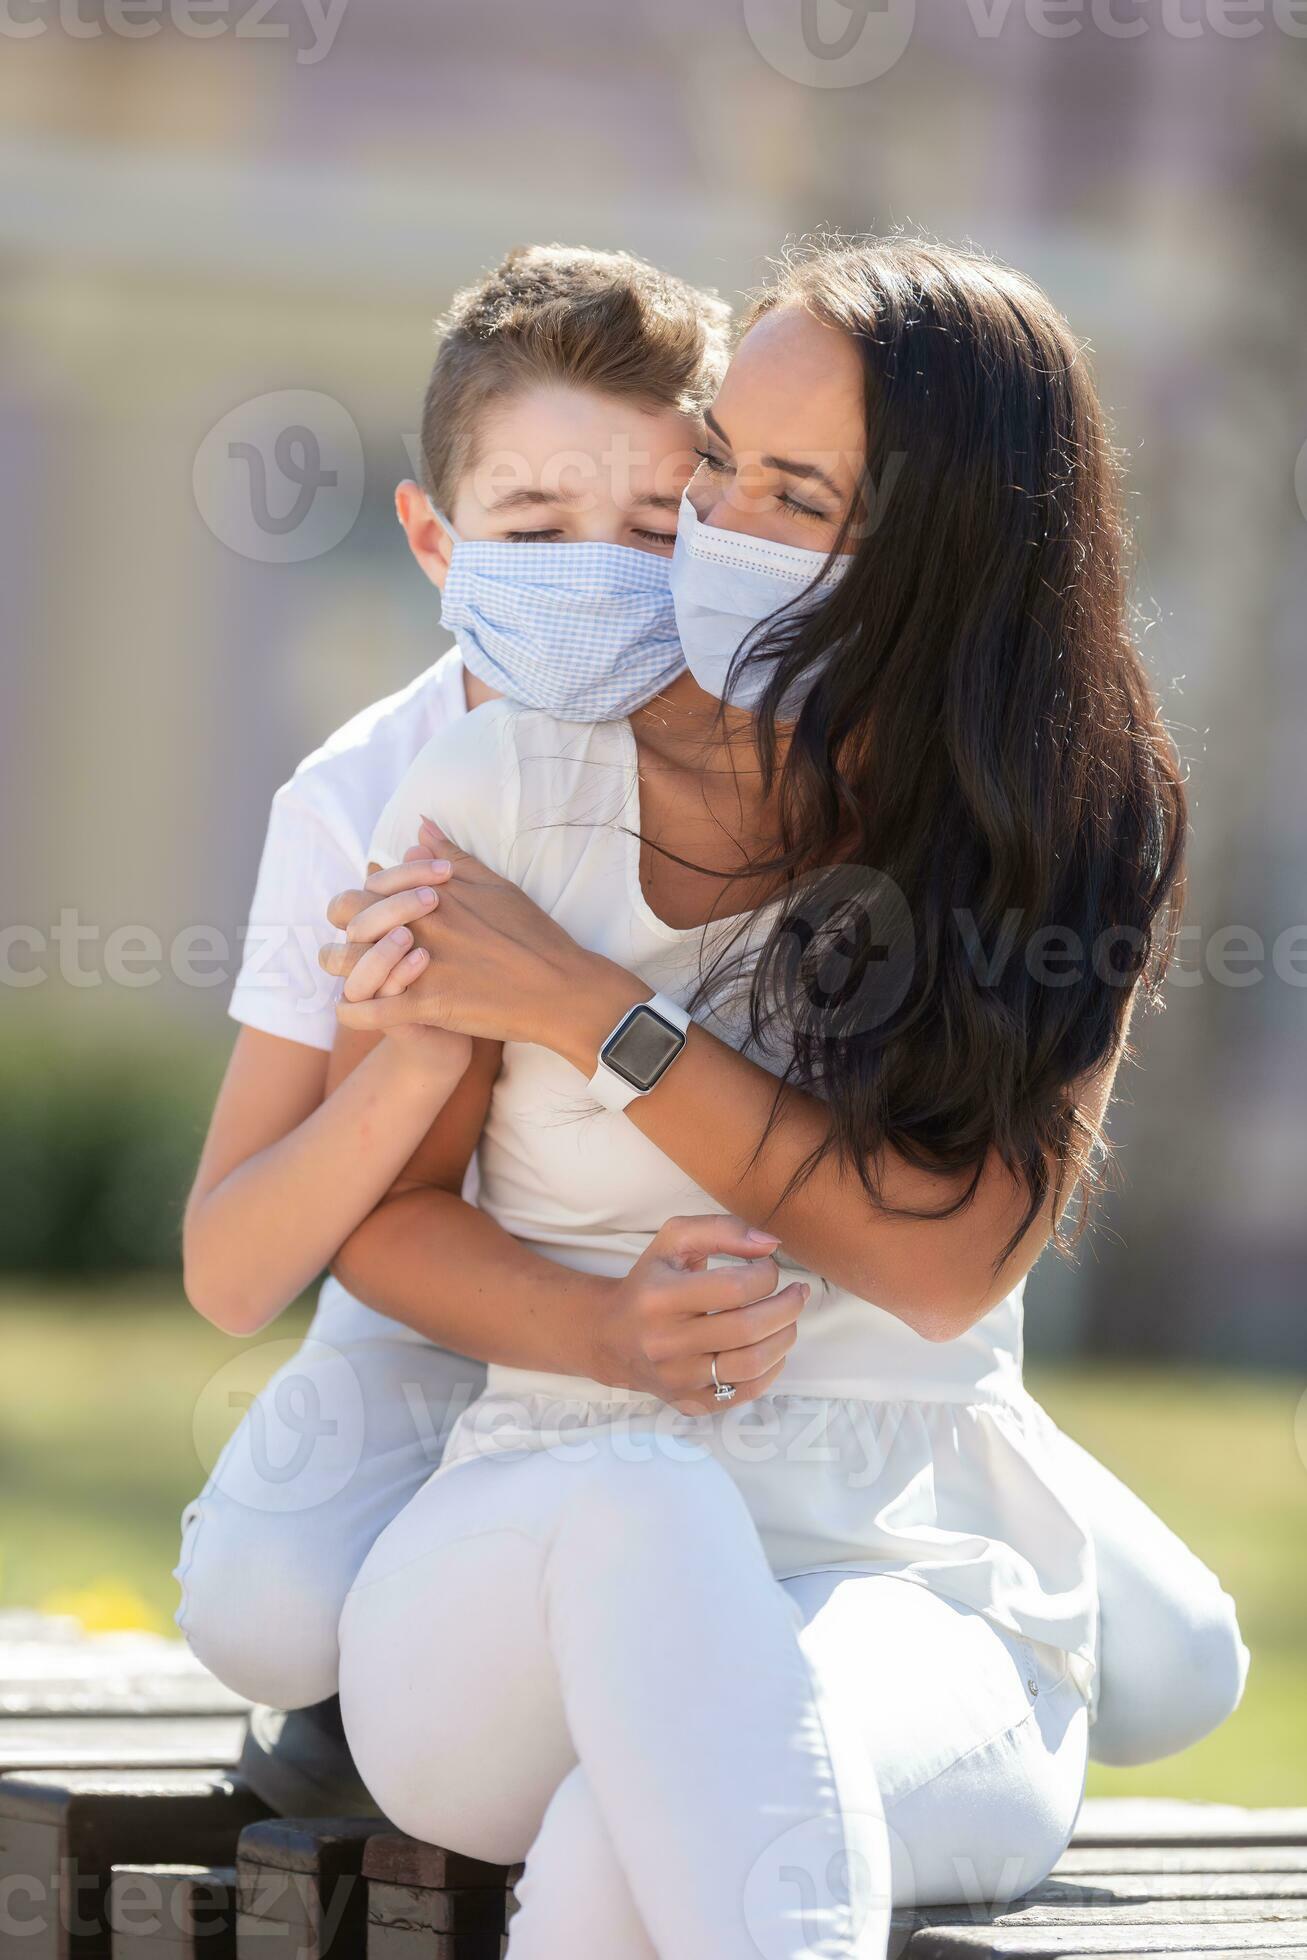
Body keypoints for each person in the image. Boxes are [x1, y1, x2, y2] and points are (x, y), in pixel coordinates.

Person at [176, 239, 1244, 1832]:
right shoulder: (396, 787)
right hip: (476, 1317)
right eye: (535, 527)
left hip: (860, 1370)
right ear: (434, 538)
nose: (649, 562)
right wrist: (440, 1101)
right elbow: (271, 1251)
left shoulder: (1027, 799)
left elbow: (942, 1262)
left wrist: (573, 1005)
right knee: (267, 1601)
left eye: (678, 511)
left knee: (1186, 1669)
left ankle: (999, 1538)